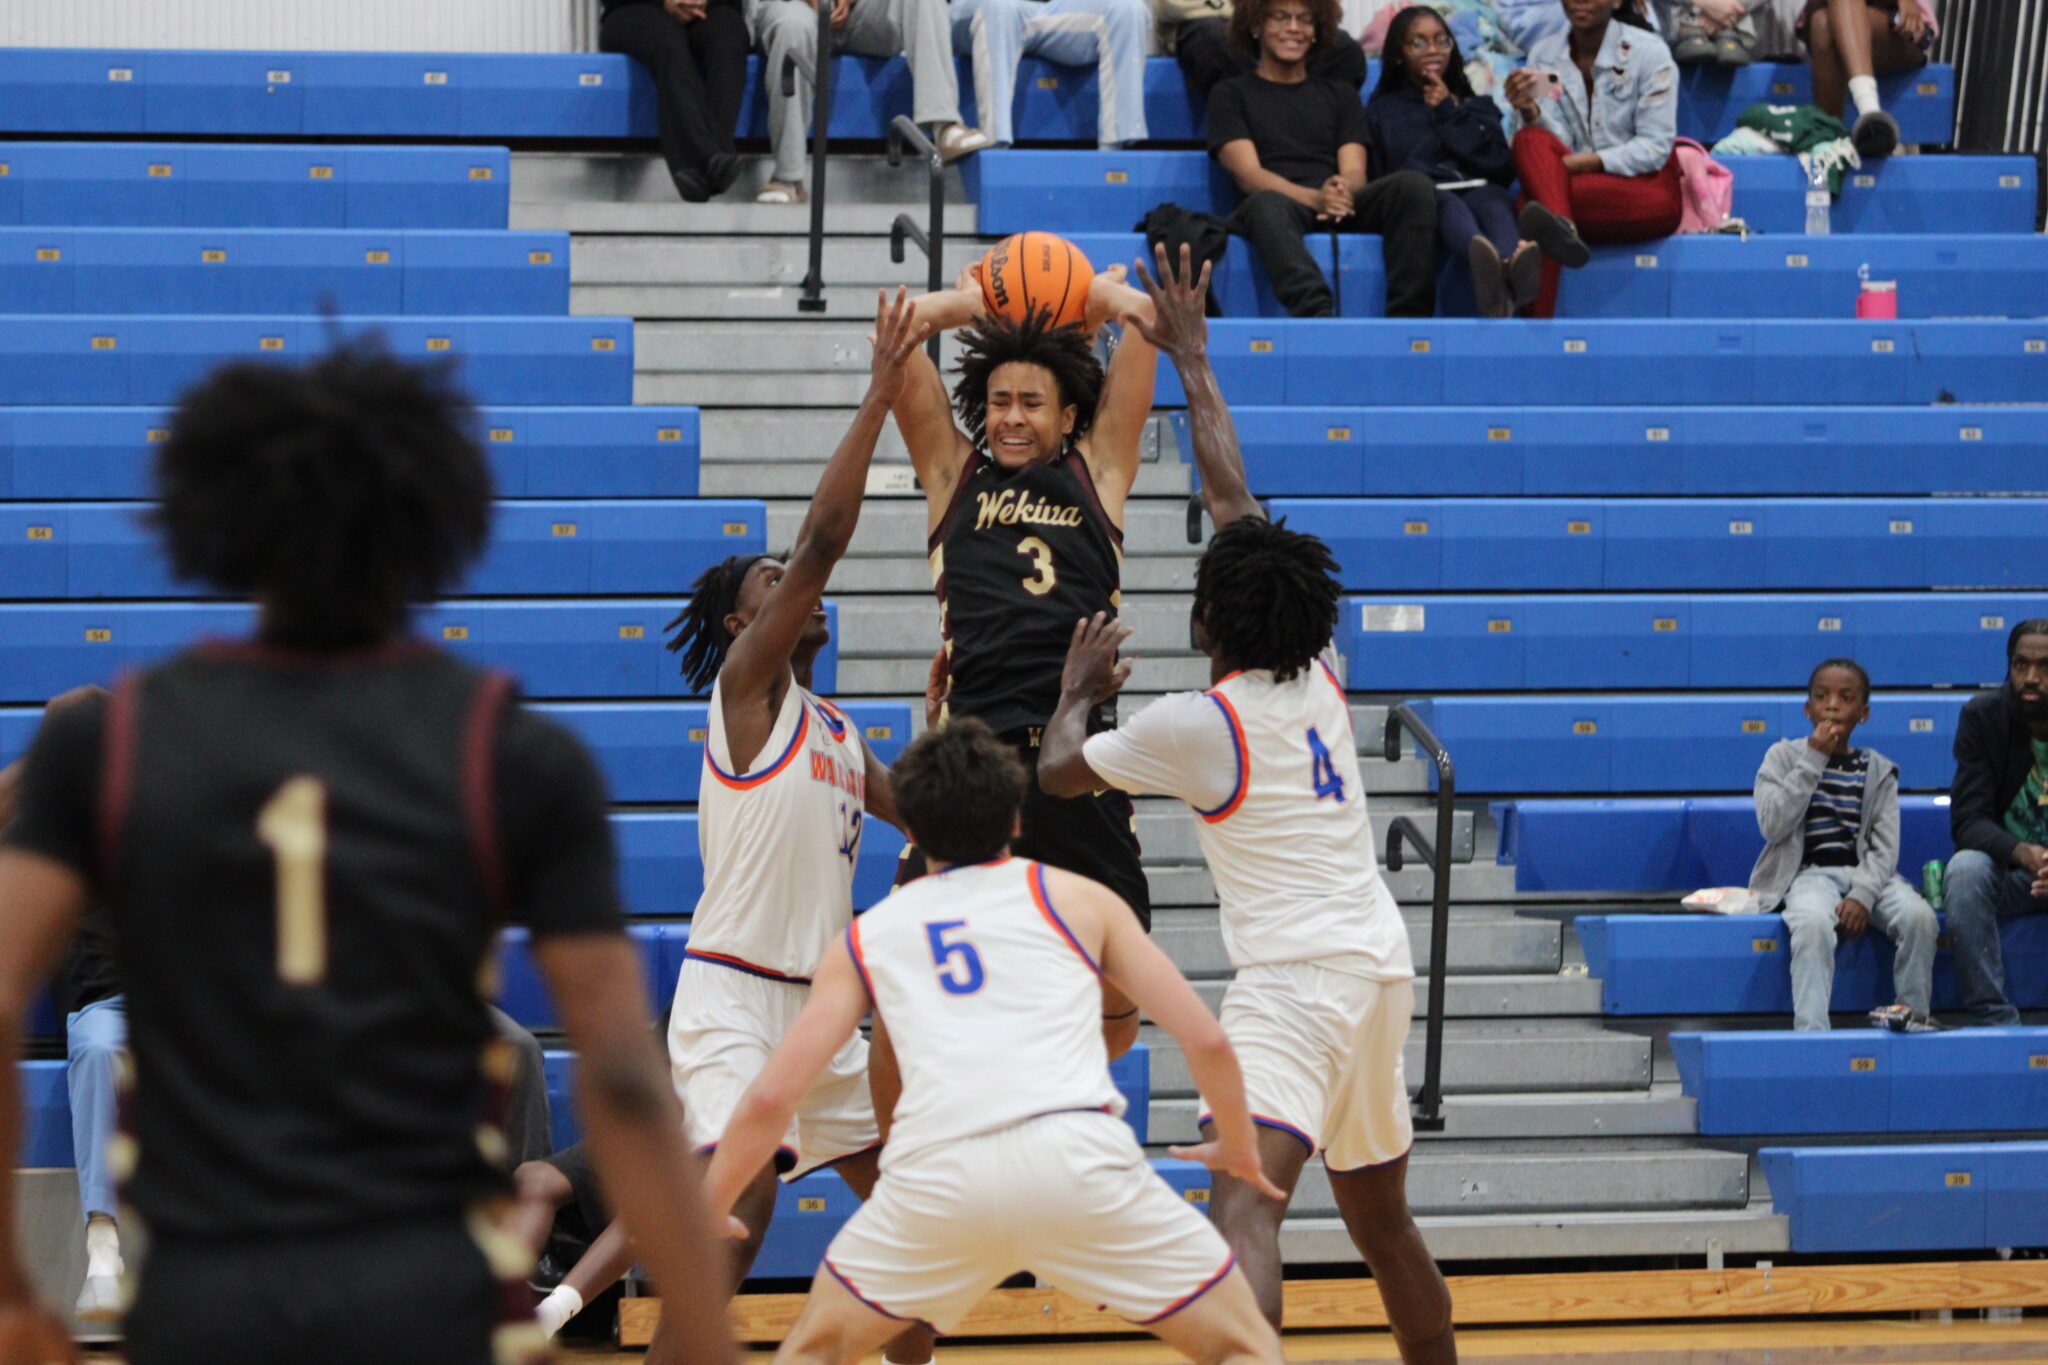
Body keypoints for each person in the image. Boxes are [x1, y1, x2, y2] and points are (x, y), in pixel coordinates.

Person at [0, 343, 737, 1365]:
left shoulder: (108, 738)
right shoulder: (516, 752)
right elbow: (619, 1073)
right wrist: (699, 1327)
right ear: (427, 529)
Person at [1035, 248, 1454, 1364]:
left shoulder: (1196, 724)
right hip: (1376, 966)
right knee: (1382, 1224)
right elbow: (1230, 495)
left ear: (1213, 622)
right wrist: (1196, 361)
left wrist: (1074, 696)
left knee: (1244, 1209)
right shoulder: (1315, 669)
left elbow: (1056, 775)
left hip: (1300, 985)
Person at [531, 292, 937, 1365]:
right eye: (770, 584)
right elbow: (823, 541)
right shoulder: (746, 696)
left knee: (909, 1240)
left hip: (820, 1015)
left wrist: (965, 703)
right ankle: (581, 1319)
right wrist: (881, 392)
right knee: (739, 1220)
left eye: (788, 581)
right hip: (733, 996)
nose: (796, 588)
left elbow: (942, 817)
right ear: (740, 624)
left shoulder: (842, 733)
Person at [702, 718, 1287, 1365]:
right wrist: (1236, 1140)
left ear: (914, 831)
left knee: (813, 1351)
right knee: (1243, 1347)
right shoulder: (1077, 897)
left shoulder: (871, 935)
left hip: (936, 1178)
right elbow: (1208, 1040)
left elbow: (770, 1098)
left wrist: (710, 1202)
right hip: (1076, 1160)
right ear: (1015, 819)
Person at [892, 265, 1158, 1061]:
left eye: (1031, 402)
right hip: (971, 762)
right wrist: (978, 303)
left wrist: (1099, 299)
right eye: (1000, 401)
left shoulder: (1098, 471)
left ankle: (1050, 1092)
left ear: (1068, 413)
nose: (1011, 417)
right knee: (911, 986)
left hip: (1077, 758)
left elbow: (1148, 320)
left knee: (1120, 999)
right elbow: (900, 329)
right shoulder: (953, 476)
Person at [1208, 0, 1438, 318]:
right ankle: (1316, 313)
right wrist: (1316, 199)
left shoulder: (1340, 94)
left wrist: (1342, 190)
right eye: (1280, 17)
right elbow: (1248, 175)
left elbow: (1356, 168)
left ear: (1317, 31)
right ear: (1256, 25)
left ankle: (1409, 315)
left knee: (1413, 186)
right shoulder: (1230, 94)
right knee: (1265, 204)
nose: (1294, 28)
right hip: (1279, 204)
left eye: (1305, 20)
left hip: (1337, 200)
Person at [1747, 659, 1937, 1032]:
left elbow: (1885, 847)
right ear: (1807, 708)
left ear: (1862, 713)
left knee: (1920, 918)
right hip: (1809, 875)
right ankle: (1812, 1033)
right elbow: (1773, 824)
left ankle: (1913, 1018)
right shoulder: (1783, 757)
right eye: (1822, 697)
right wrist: (1814, 758)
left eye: (1845, 698)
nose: (1832, 705)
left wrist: (1863, 896)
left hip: (1869, 875)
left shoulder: (1878, 769)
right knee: (1814, 925)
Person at [1505, 0, 1680, 319]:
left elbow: (1654, 148)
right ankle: (1562, 227)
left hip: (1644, 187)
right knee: (1529, 138)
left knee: (1531, 205)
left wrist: (1586, 163)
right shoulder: (1544, 56)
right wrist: (1530, 110)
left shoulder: (1649, 52)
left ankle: (1531, 325)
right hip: (1572, 185)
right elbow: (1553, 144)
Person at [1366, 6, 1537, 318]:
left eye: (1441, 40)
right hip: (1431, 196)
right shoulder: (1383, 111)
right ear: (1399, 54)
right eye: (1418, 42)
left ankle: (1509, 265)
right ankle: (1497, 270)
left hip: (1481, 189)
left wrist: (1450, 111)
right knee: (1447, 203)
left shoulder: (1476, 104)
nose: (1433, 49)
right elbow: (1392, 171)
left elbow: (1499, 166)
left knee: (1494, 201)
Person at [750, 0, 989, 204]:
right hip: (790, 8)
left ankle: (944, 126)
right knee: (793, 28)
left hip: (860, 13)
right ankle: (788, 177)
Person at [1943, 619, 2048, 1028]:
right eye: (2020, 665)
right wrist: (2022, 853)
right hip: (2014, 874)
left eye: (2044, 667)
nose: (2031, 678)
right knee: (1965, 870)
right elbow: (1967, 819)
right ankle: (1993, 1016)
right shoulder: (1983, 717)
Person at [602, 0, 751, 201]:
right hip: (632, 9)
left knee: (728, 37)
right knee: (668, 42)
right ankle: (708, 159)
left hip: (708, 9)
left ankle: (703, 168)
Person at [952, 0, 1153, 149]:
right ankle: (994, 146)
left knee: (1129, 10)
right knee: (998, 8)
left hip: (1054, 9)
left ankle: (1115, 155)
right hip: (986, 9)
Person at [1797, 0, 1935, 158]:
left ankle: (1831, 141)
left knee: (1823, 24)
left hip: (1897, 28)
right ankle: (1869, 117)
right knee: (1822, 23)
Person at [1168, 0, 1366, 105]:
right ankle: (1252, 126)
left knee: (1343, 48)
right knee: (1217, 39)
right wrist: (1251, 10)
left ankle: (1320, 128)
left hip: (1279, 13)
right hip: (1209, 19)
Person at [1651, 0, 1762, 65]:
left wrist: (1729, 9)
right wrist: (1702, 3)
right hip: (1676, 26)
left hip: (1735, 24)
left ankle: (1727, 34)